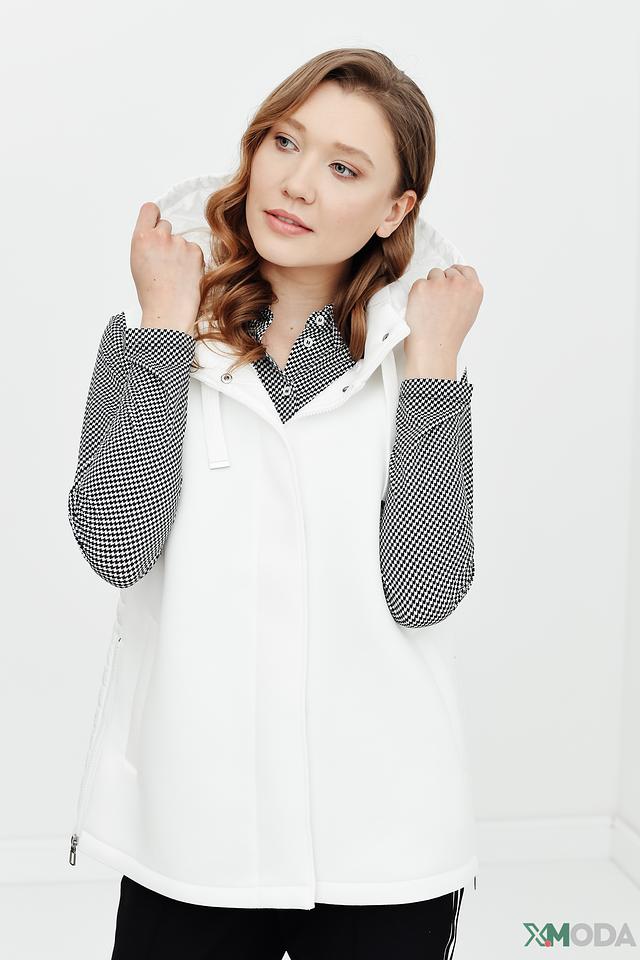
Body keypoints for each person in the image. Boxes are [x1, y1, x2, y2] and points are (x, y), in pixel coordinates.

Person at [67, 47, 483, 959]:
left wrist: (436, 374)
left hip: (384, 840)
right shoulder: (153, 330)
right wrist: (164, 324)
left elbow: (425, 590)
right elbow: (115, 545)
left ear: (395, 210)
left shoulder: (418, 357)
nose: (295, 183)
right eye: (284, 142)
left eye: (345, 168)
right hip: (193, 835)